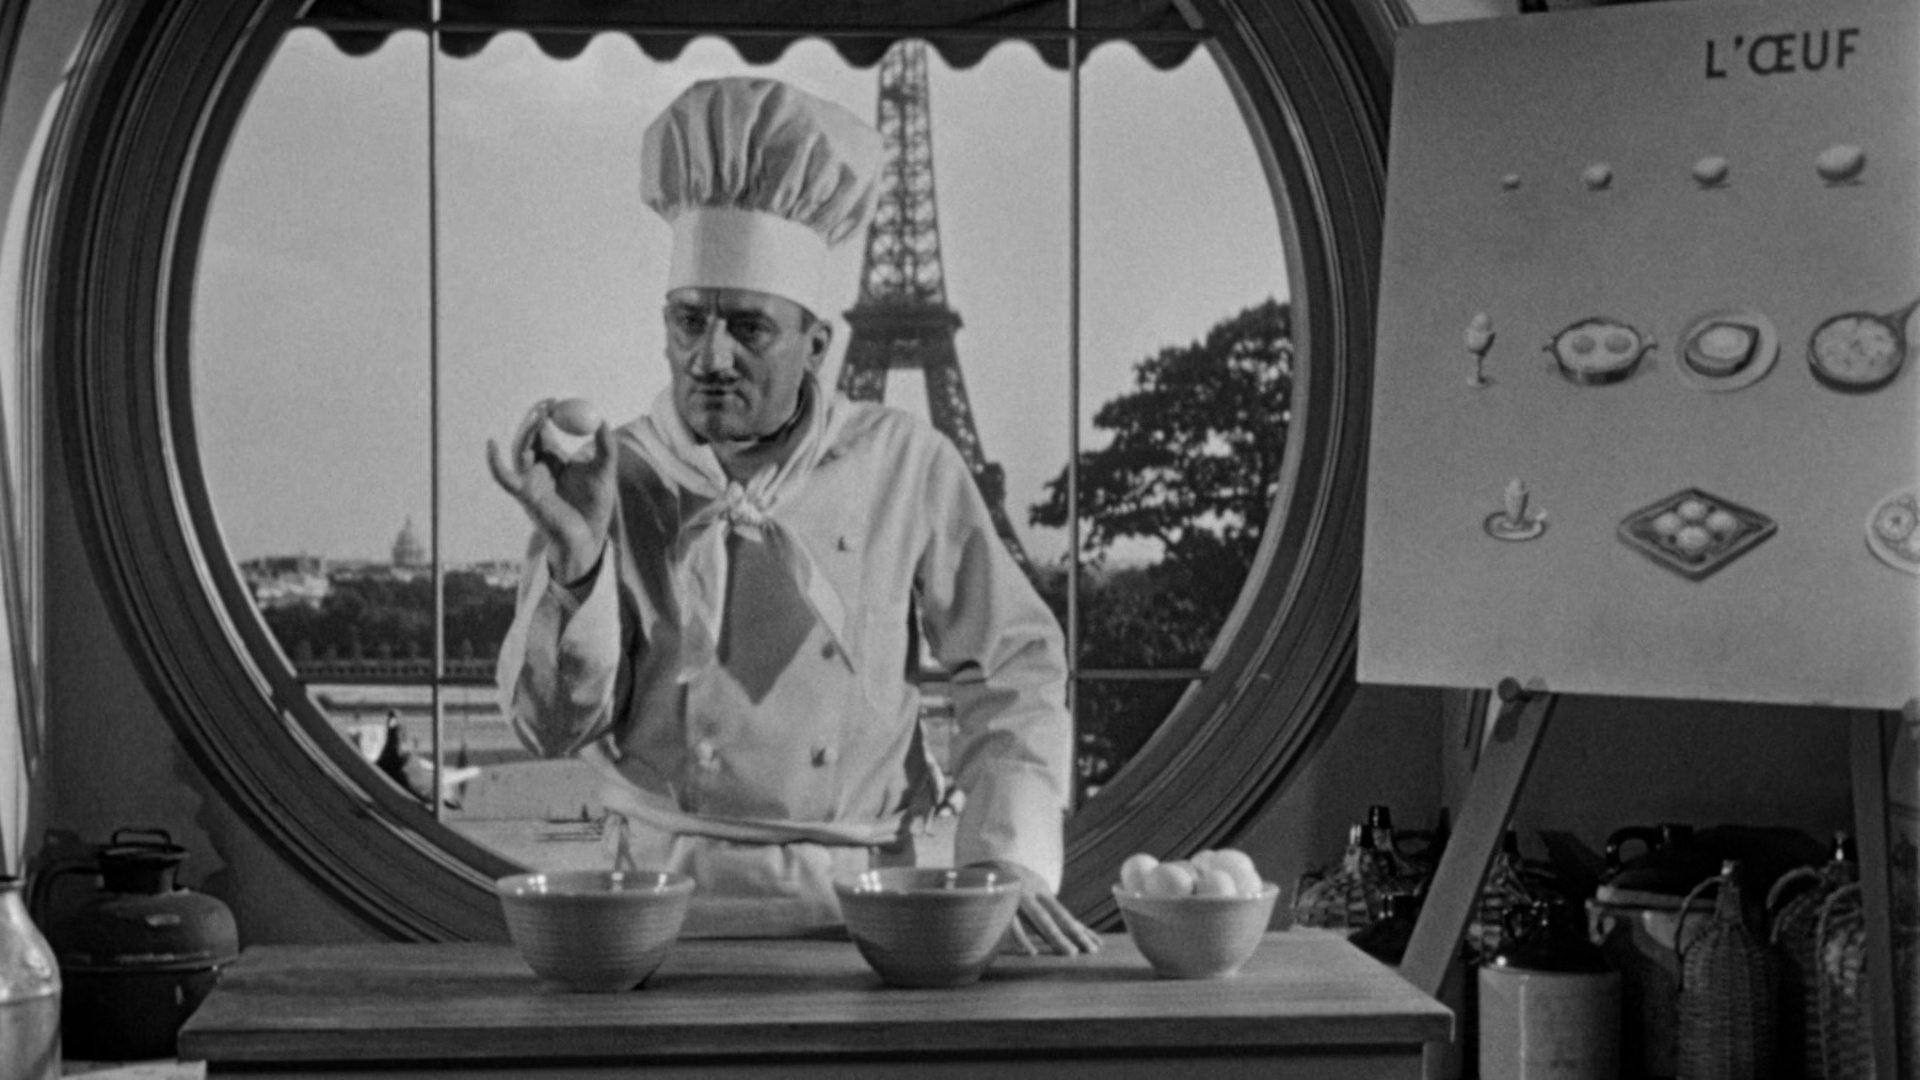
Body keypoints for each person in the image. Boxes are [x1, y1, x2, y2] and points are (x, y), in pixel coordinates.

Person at [488, 76, 1097, 955]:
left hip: (869, 915)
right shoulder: (608, 477)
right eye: (689, 322)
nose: (711, 358)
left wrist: (1007, 856)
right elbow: (548, 730)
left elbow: (1016, 664)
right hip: (652, 917)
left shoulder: (906, 464)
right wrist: (575, 569)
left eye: (748, 328)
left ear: (817, 344)